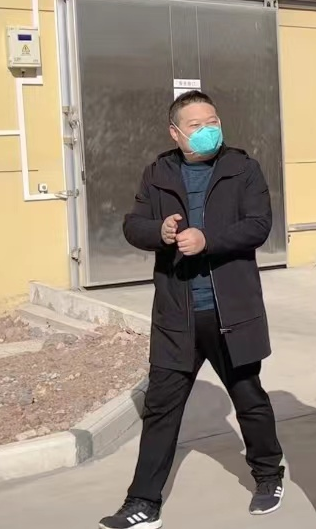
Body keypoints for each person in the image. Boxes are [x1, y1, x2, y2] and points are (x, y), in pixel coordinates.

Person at [100, 91, 285, 529]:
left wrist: (208, 241)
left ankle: (268, 475)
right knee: (161, 408)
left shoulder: (242, 168)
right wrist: (159, 231)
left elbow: (259, 225)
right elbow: (133, 225)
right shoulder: (158, 172)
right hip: (176, 314)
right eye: (196, 125)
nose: (207, 130)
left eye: (213, 121)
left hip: (229, 311)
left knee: (249, 398)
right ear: (175, 133)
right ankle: (143, 502)